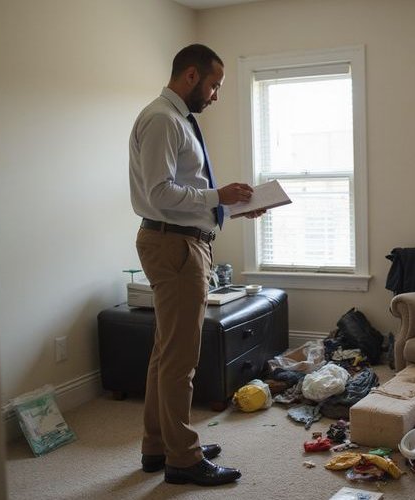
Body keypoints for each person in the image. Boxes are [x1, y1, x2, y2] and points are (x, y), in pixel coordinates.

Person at [128, 43, 264, 486]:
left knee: (166, 353)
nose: (215, 95)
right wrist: (217, 196)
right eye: (214, 85)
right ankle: (183, 458)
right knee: (180, 359)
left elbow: (184, 195)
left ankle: (158, 445)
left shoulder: (178, 120)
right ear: (191, 75)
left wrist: (232, 206)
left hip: (182, 240)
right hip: (175, 246)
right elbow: (160, 194)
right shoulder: (163, 120)